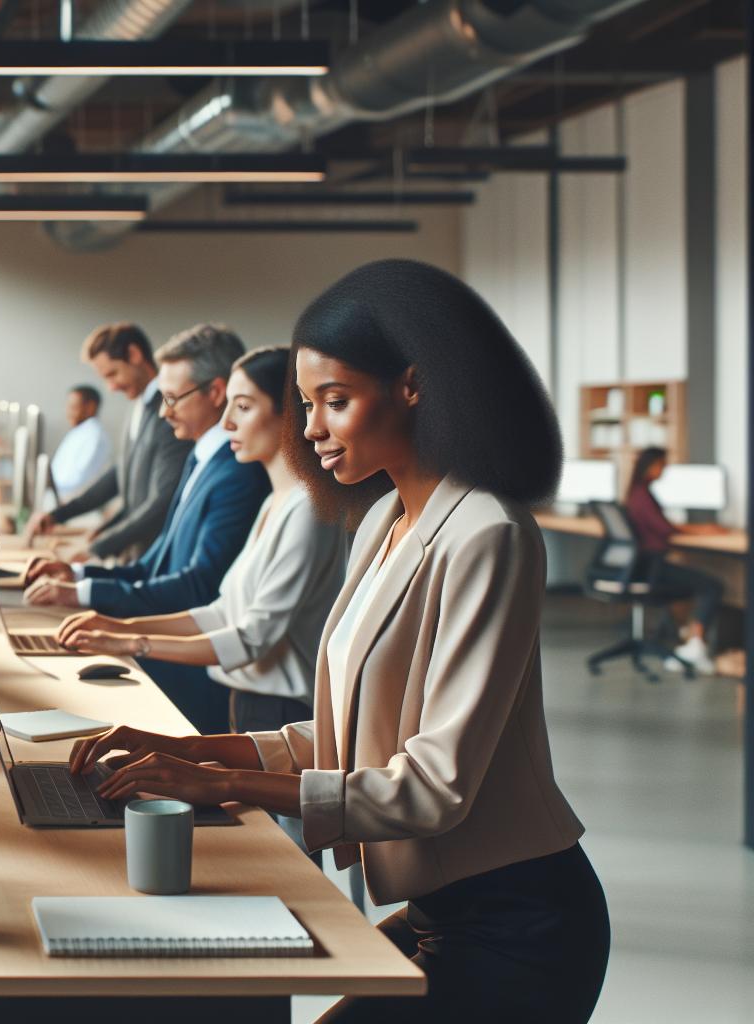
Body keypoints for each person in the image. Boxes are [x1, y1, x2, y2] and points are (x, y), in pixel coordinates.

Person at [70, 259, 608, 1023]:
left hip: (520, 924)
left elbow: (432, 785)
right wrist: (190, 751)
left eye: (335, 401)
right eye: (306, 404)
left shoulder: (490, 534)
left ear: (414, 386)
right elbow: (344, 734)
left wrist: (222, 786)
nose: (310, 429)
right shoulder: (383, 521)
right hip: (438, 912)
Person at [52, 347, 345, 739]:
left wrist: (133, 642)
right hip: (245, 702)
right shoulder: (274, 503)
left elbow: (250, 638)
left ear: (289, 415)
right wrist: (116, 627)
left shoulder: (310, 510)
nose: (226, 424)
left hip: (281, 715)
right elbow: (222, 612)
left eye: (241, 407)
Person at [23, 323, 268, 734]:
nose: (164, 411)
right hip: (162, 647)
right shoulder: (201, 461)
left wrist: (109, 616)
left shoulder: (236, 475)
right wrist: (82, 577)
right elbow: (154, 562)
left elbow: (199, 585)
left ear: (216, 393)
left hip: (190, 674)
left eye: (173, 398)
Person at [29, 324, 189, 561]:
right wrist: (59, 515)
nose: (111, 387)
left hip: (153, 557)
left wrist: (99, 547)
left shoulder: (168, 413)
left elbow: (161, 502)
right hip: (135, 553)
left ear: (134, 355)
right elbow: (121, 478)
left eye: (112, 374)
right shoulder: (139, 408)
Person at [623, 445, 728, 673]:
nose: (665, 469)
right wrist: (703, 530)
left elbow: (664, 528)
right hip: (653, 567)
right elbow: (666, 530)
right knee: (712, 586)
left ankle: (689, 638)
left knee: (697, 581)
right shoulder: (642, 495)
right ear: (651, 466)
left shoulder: (637, 493)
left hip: (646, 565)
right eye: (662, 465)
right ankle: (695, 647)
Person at [46, 384, 112, 504]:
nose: (68, 413)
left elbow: (79, 480)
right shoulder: (79, 432)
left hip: (73, 503)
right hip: (60, 498)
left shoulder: (94, 436)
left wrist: (48, 483)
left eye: (73, 407)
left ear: (90, 407)